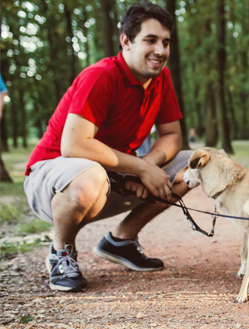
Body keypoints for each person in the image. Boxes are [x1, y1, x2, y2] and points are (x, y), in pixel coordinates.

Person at [23, 1, 191, 292]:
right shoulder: (100, 76)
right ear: (126, 41)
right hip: (51, 178)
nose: (161, 51)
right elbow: (74, 145)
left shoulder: (161, 78)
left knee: (195, 164)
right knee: (91, 175)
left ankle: (120, 241)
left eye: (165, 42)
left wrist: (147, 165)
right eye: (150, 40)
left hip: (110, 174)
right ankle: (61, 252)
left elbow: (172, 136)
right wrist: (140, 167)